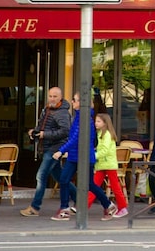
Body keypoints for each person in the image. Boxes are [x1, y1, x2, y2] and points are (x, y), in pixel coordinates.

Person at [52, 93, 117, 221]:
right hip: (76, 155)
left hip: (84, 156)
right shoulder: (80, 117)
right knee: (65, 179)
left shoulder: (85, 119)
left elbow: (76, 138)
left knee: (88, 184)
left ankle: (108, 205)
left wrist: (61, 150)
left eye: (75, 100)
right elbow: (74, 138)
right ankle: (64, 209)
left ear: (81, 103)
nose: (72, 102)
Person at [21, 87, 71, 217]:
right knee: (60, 177)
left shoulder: (63, 113)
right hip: (47, 146)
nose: (52, 99)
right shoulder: (47, 109)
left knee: (41, 176)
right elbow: (42, 126)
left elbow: (65, 131)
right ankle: (82, 201)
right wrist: (35, 132)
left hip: (55, 147)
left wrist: (45, 134)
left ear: (60, 97)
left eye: (55, 96)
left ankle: (35, 207)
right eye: (50, 96)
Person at [88, 112, 128, 219]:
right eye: (96, 121)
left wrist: (93, 156)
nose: (96, 123)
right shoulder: (100, 133)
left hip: (108, 164)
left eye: (98, 121)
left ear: (105, 123)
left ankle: (123, 207)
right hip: (102, 164)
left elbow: (105, 150)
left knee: (114, 187)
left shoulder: (107, 135)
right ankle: (85, 206)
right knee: (94, 185)